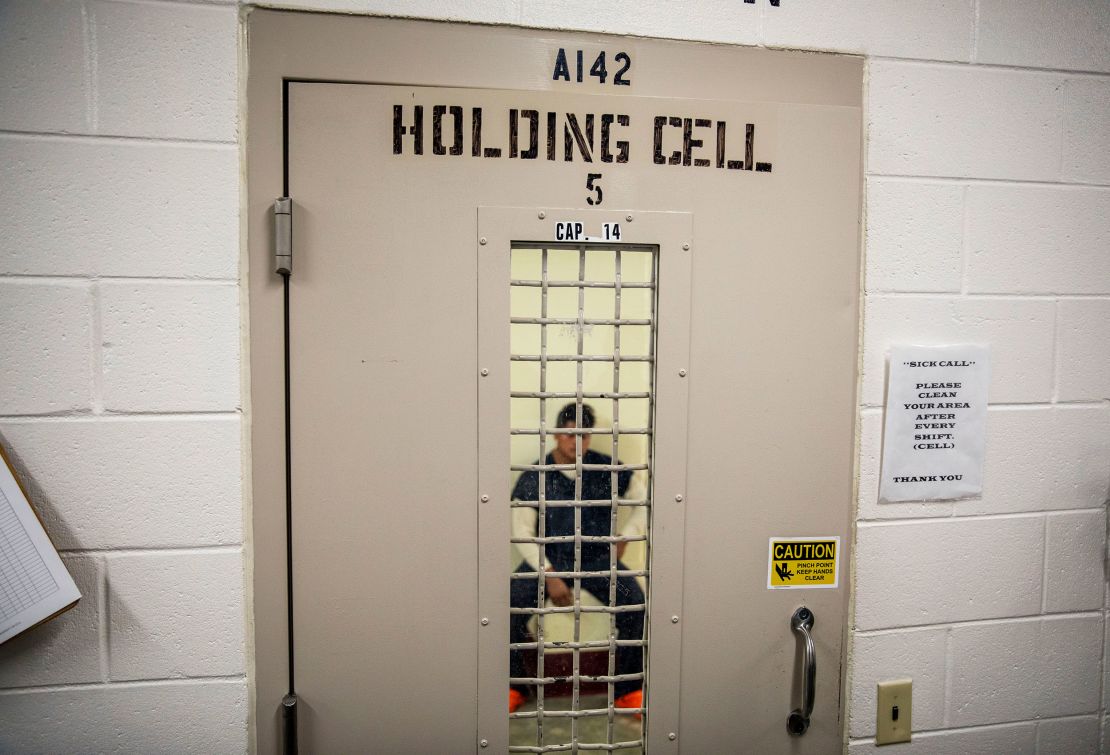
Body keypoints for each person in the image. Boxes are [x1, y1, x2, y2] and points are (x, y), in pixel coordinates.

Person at [508, 402, 647, 715]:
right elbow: (522, 532)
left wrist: (625, 536)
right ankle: (515, 687)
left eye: (584, 435)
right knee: (509, 607)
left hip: (598, 560)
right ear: (557, 435)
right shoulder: (535, 476)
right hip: (551, 559)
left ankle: (628, 691)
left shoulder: (607, 469)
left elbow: (645, 502)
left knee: (634, 604)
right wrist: (549, 574)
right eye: (570, 434)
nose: (577, 441)